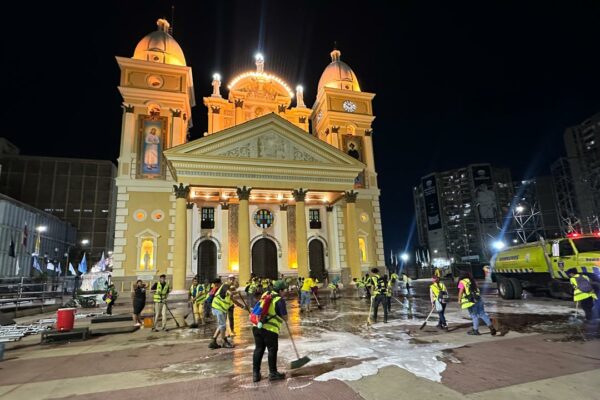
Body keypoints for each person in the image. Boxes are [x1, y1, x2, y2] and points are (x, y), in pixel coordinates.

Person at [252, 280, 288, 382]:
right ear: (280, 290)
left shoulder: (266, 294)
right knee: (272, 349)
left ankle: (255, 374)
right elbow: (285, 317)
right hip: (270, 329)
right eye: (284, 290)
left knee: (259, 349)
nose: (285, 292)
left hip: (256, 326)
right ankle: (273, 373)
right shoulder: (279, 300)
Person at [209, 278, 246, 349]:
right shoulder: (225, 286)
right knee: (223, 325)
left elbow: (235, 301)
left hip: (220, 309)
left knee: (221, 325)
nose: (234, 284)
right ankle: (224, 342)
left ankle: (213, 341)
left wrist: (244, 307)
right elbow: (229, 292)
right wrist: (234, 293)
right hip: (217, 308)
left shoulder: (227, 293)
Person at [457, 271, 496, 335]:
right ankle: (491, 327)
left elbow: (460, 292)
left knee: (474, 316)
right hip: (478, 299)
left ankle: (475, 330)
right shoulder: (473, 280)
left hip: (470, 301)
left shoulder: (461, 282)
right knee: (482, 314)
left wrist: (459, 300)